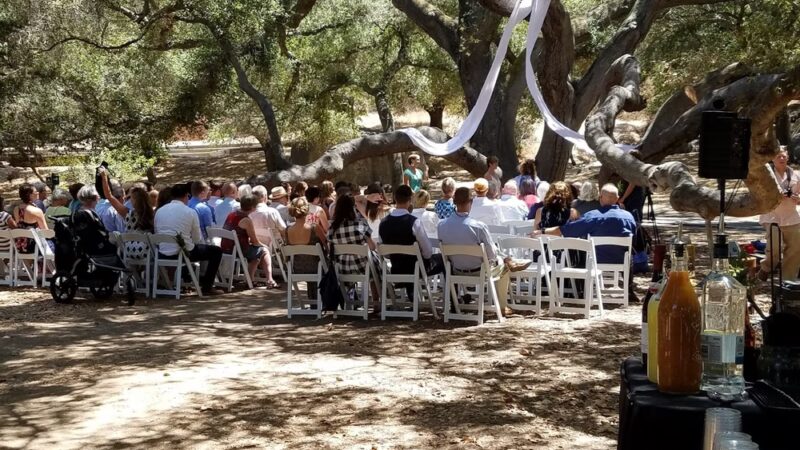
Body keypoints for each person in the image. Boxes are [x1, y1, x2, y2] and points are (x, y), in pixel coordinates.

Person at [437, 187, 530, 316]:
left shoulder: (442, 225)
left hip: (456, 269)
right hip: (479, 271)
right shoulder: (477, 226)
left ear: (454, 202)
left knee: (498, 256)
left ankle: (508, 259)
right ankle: (502, 305)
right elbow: (491, 254)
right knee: (504, 267)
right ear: (471, 202)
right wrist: (495, 260)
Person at [154, 183, 223, 295]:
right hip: (183, 252)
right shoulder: (190, 212)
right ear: (187, 196)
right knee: (216, 251)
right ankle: (207, 286)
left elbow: (157, 233)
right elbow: (197, 238)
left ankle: (175, 281)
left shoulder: (159, 211)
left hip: (162, 252)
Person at [380, 185, 444, 298]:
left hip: (396, 268)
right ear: (410, 200)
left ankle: (412, 294)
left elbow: (385, 253)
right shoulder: (414, 222)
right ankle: (453, 300)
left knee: (410, 259)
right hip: (416, 269)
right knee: (444, 260)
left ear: (395, 198)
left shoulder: (383, 223)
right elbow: (428, 252)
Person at [759, 147, 800, 282]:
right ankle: (765, 268)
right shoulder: (766, 175)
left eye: (783, 156)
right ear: (772, 159)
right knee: (774, 249)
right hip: (772, 217)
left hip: (791, 218)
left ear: (788, 157)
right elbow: (760, 194)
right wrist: (776, 196)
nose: (781, 159)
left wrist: (797, 198)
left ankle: (788, 281)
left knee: (795, 249)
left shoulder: (796, 175)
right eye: (778, 156)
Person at [221, 194, 277, 288]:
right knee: (264, 251)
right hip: (238, 250)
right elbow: (255, 241)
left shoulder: (231, 214)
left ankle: (250, 280)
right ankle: (270, 279)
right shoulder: (246, 220)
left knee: (256, 255)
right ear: (252, 207)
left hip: (226, 248)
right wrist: (265, 246)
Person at [100, 171, 154, 260]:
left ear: (134, 201)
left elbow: (109, 196)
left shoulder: (127, 213)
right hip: (148, 253)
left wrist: (104, 177)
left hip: (129, 251)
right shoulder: (152, 214)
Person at [286, 197, 328, 300]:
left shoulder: (288, 230)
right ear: (306, 210)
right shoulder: (314, 228)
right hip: (317, 268)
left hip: (296, 269)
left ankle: (314, 302)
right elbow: (326, 245)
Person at [327, 194, 377, 276]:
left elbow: (330, 248)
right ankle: (377, 287)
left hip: (342, 268)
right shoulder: (360, 224)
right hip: (363, 267)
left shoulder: (332, 228)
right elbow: (372, 247)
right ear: (353, 208)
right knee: (374, 261)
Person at [71, 185, 117, 256]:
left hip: (85, 251)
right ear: (96, 197)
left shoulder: (77, 212)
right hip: (96, 252)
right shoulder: (88, 214)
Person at [12, 184, 48, 254]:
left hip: (20, 246)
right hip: (34, 247)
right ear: (30, 195)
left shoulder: (16, 209)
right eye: (35, 191)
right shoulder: (37, 211)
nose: (37, 193)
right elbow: (45, 231)